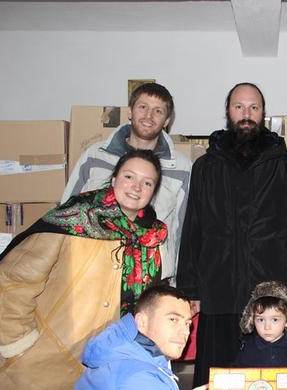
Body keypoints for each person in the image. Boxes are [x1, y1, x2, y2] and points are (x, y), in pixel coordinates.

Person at [0, 150, 168, 390]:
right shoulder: (75, 220)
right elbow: (12, 280)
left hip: (104, 372)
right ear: (113, 179)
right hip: (47, 365)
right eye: (129, 177)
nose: (136, 187)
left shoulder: (150, 237)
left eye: (147, 183)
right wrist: (17, 343)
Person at [177, 82, 287, 386]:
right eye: (239, 107)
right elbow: (193, 229)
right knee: (218, 385)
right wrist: (190, 288)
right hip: (218, 293)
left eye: (254, 107)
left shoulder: (285, 166)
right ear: (228, 112)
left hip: (270, 298)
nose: (246, 114)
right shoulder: (206, 167)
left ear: (263, 113)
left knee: (273, 385)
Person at [63, 82, 191, 283]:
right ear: (130, 111)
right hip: (94, 273)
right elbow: (67, 212)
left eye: (158, 111)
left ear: (167, 120)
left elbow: (184, 229)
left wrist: (176, 285)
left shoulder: (182, 168)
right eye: (143, 107)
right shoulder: (95, 156)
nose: (148, 116)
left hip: (150, 278)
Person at [65, 285, 207, 390]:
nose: (185, 332)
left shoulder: (133, 359)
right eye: (173, 319)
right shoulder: (132, 376)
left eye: (187, 324)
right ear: (142, 322)